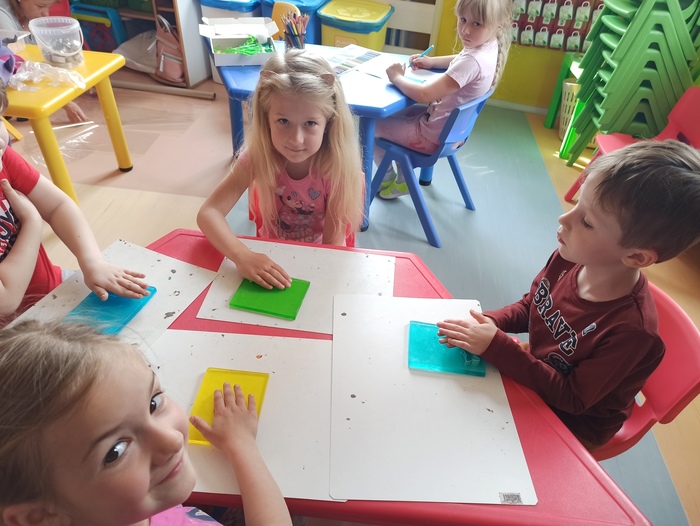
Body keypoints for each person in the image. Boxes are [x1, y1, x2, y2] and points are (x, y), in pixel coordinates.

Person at [435, 140, 700, 450]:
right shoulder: (571, 257)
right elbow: (532, 305)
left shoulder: (632, 333)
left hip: (575, 422)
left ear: (636, 257)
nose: (564, 219)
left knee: (468, 441)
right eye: (577, 205)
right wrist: (490, 322)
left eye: (586, 222)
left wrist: (497, 346)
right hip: (541, 373)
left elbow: (573, 398)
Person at [0, 319, 293, 526]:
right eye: (115, 451)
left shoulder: (126, 510)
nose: (172, 440)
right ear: (38, 517)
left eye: (153, 403)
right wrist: (243, 445)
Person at [197, 49, 364, 290]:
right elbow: (209, 212)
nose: (296, 139)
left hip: (319, 259)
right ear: (267, 118)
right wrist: (242, 255)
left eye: (310, 123)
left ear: (328, 123)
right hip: (272, 257)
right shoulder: (258, 156)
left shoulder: (336, 168)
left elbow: (331, 246)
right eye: (283, 121)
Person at [0, 81, 149, 320]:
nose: (1, 140)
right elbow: (6, 299)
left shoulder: (3, 157)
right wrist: (32, 222)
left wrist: (92, 262)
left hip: (51, 291)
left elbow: (58, 205)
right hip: (14, 330)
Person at [374, 0, 511, 199]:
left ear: (499, 24)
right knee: (394, 114)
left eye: (476, 24)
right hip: (451, 133)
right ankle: (403, 177)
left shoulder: (472, 62)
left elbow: (424, 95)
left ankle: (387, 177)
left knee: (371, 126)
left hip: (430, 138)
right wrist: (432, 62)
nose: (465, 30)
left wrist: (396, 77)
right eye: (463, 19)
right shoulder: (488, 46)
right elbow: (461, 59)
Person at [0, 0, 89, 123]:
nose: (46, 13)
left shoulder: (28, 14)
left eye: (49, 6)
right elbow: (20, 63)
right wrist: (65, 103)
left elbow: (35, 57)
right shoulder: (3, 16)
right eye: (41, 6)